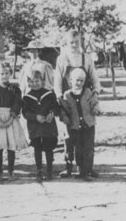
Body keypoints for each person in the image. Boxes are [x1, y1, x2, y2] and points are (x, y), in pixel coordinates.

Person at [53, 30, 101, 178]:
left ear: (81, 42)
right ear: (66, 43)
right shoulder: (62, 59)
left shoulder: (86, 58)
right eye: (71, 42)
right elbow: (58, 81)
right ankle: (68, 167)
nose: (74, 45)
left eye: (77, 42)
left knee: (86, 137)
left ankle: (87, 168)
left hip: (84, 101)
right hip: (69, 101)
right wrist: (60, 97)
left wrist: (95, 93)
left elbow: (94, 77)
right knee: (69, 137)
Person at [0, 62, 29, 180]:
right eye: (1, 73)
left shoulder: (15, 89)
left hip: (12, 119)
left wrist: (11, 117)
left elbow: (17, 104)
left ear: (10, 74)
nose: (4, 76)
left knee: (11, 146)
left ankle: (11, 171)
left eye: (6, 73)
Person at [60, 68, 100, 181]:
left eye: (82, 81)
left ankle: (88, 169)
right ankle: (81, 170)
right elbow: (64, 109)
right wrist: (64, 117)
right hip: (75, 126)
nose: (79, 83)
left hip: (88, 125)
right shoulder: (67, 95)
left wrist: (96, 108)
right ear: (70, 80)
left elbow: (94, 102)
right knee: (78, 149)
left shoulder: (87, 92)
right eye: (77, 80)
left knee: (89, 148)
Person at [22, 70, 60, 181]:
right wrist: (35, 117)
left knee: (49, 149)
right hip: (35, 128)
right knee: (37, 149)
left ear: (42, 81)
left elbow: (56, 107)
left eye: (37, 81)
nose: (34, 83)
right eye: (32, 81)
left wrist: (51, 114)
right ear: (28, 83)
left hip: (48, 126)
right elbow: (25, 113)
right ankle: (39, 170)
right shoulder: (27, 98)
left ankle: (49, 170)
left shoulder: (50, 94)